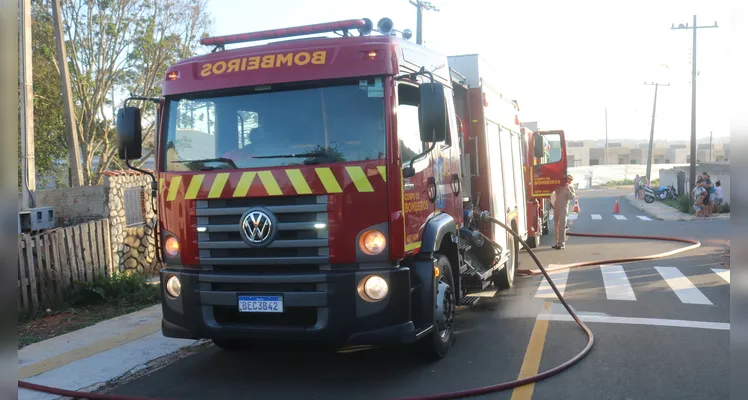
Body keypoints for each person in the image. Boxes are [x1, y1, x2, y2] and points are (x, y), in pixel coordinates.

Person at [552, 175, 576, 250]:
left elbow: (572, 197)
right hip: (556, 207)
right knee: (556, 225)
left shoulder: (570, 187)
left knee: (562, 226)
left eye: (570, 180)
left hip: (563, 208)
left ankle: (561, 243)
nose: (569, 181)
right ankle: (556, 243)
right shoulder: (559, 186)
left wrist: (568, 189)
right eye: (568, 179)